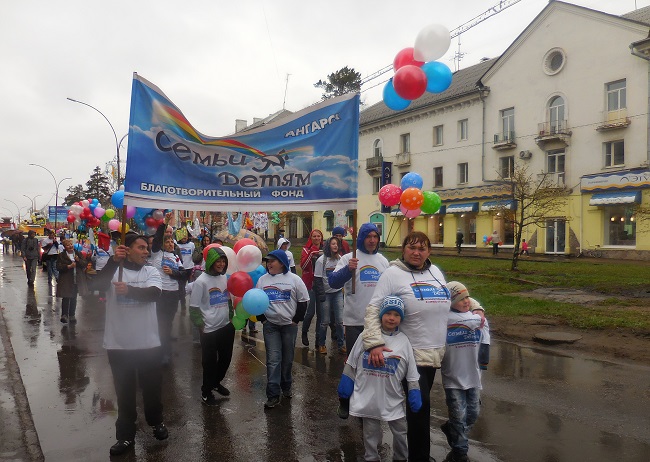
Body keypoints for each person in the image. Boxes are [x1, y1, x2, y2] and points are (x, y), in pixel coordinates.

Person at [362, 231, 450, 462]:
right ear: (403, 250)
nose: (416, 252)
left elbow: (449, 295)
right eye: (412, 247)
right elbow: (373, 308)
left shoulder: (435, 271)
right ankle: (419, 457)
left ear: (429, 252)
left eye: (422, 248)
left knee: (419, 407)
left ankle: (414, 453)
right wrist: (374, 343)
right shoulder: (392, 274)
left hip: (434, 353)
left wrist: (474, 307)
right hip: (409, 354)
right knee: (420, 406)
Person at [89, 232, 168, 456]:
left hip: (148, 343)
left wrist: (130, 290)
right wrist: (113, 261)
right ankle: (125, 435)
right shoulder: (114, 270)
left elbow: (154, 294)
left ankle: (156, 422)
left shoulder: (151, 271)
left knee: (152, 389)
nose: (146, 252)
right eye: (141, 248)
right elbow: (97, 285)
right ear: (128, 250)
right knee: (124, 392)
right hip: (119, 344)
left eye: (147, 248)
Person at [336, 296, 422, 462]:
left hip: (392, 397)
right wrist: (345, 385)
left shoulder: (404, 341)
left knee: (400, 430)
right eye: (388, 313)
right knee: (370, 433)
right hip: (369, 397)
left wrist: (414, 390)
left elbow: (411, 371)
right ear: (381, 315)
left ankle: (401, 458)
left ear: (401, 318)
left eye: (396, 315)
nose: (391, 318)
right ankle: (371, 457)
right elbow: (352, 362)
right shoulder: (366, 336)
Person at [256, 249, 309, 409]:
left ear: (282, 263)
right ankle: (273, 394)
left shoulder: (294, 279)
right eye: (267, 261)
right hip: (271, 326)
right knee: (273, 360)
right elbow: (256, 300)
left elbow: (303, 301)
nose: (269, 264)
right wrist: (263, 320)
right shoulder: (262, 280)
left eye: (272, 261)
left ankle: (286, 386)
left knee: (287, 359)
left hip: (289, 327)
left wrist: (295, 320)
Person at [440, 282, 486, 462]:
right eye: (461, 299)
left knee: (473, 413)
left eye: (467, 297)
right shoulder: (444, 319)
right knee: (459, 416)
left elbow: (485, 341)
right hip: (453, 377)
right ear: (451, 302)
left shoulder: (477, 318)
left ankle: (451, 429)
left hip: (473, 376)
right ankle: (460, 452)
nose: (466, 301)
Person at [329, 223, 389, 353]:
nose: (372, 240)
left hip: (377, 322)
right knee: (354, 359)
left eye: (375, 236)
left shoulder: (383, 261)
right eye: (368, 236)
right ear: (361, 238)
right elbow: (333, 282)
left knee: (374, 360)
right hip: (354, 322)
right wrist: (347, 270)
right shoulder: (349, 258)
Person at [189, 246, 235, 406]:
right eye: (218, 261)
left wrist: (230, 316)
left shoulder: (224, 278)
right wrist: (200, 325)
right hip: (209, 330)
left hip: (225, 326)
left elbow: (228, 299)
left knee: (226, 359)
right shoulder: (201, 282)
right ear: (210, 262)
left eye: (223, 261)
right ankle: (206, 392)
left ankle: (216, 382)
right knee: (209, 363)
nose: (221, 264)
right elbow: (194, 307)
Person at [151, 214, 185, 365]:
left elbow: (184, 274)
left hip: (173, 294)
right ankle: (163, 352)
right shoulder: (157, 253)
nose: (170, 244)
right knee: (161, 323)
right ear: (162, 244)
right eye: (168, 242)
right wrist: (164, 223)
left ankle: (164, 349)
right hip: (161, 293)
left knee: (168, 323)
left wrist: (173, 273)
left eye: (172, 242)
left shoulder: (176, 257)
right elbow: (157, 238)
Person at [313, 236, 345, 355]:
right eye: (333, 244)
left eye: (337, 244)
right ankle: (321, 344)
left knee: (340, 321)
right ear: (328, 246)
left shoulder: (340, 259)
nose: (335, 246)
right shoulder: (321, 261)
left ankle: (341, 344)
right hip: (326, 294)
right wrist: (321, 295)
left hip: (337, 293)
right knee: (325, 321)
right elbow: (317, 279)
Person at [299, 229, 324, 347]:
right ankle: (304, 332)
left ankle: (318, 339)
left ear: (321, 237)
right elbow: (303, 266)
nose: (316, 238)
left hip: (322, 285)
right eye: (314, 236)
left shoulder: (325, 250)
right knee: (310, 312)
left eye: (318, 236)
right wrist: (311, 253)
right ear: (311, 238)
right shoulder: (306, 249)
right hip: (310, 285)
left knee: (321, 314)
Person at [56, 239, 87, 323]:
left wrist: (78, 260)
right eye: (68, 245)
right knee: (66, 297)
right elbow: (58, 267)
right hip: (66, 279)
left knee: (73, 297)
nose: (70, 246)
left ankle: (72, 315)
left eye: (71, 244)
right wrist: (68, 266)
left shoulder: (78, 254)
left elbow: (84, 263)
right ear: (65, 247)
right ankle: (64, 315)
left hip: (76, 279)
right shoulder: (61, 255)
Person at [176, 228, 195, 309]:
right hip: (181, 269)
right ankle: (183, 304)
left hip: (190, 269)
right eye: (182, 236)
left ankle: (192, 304)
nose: (184, 238)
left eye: (186, 236)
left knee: (192, 287)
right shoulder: (176, 245)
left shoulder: (191, 245)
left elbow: (193, 254)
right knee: (182, 288)